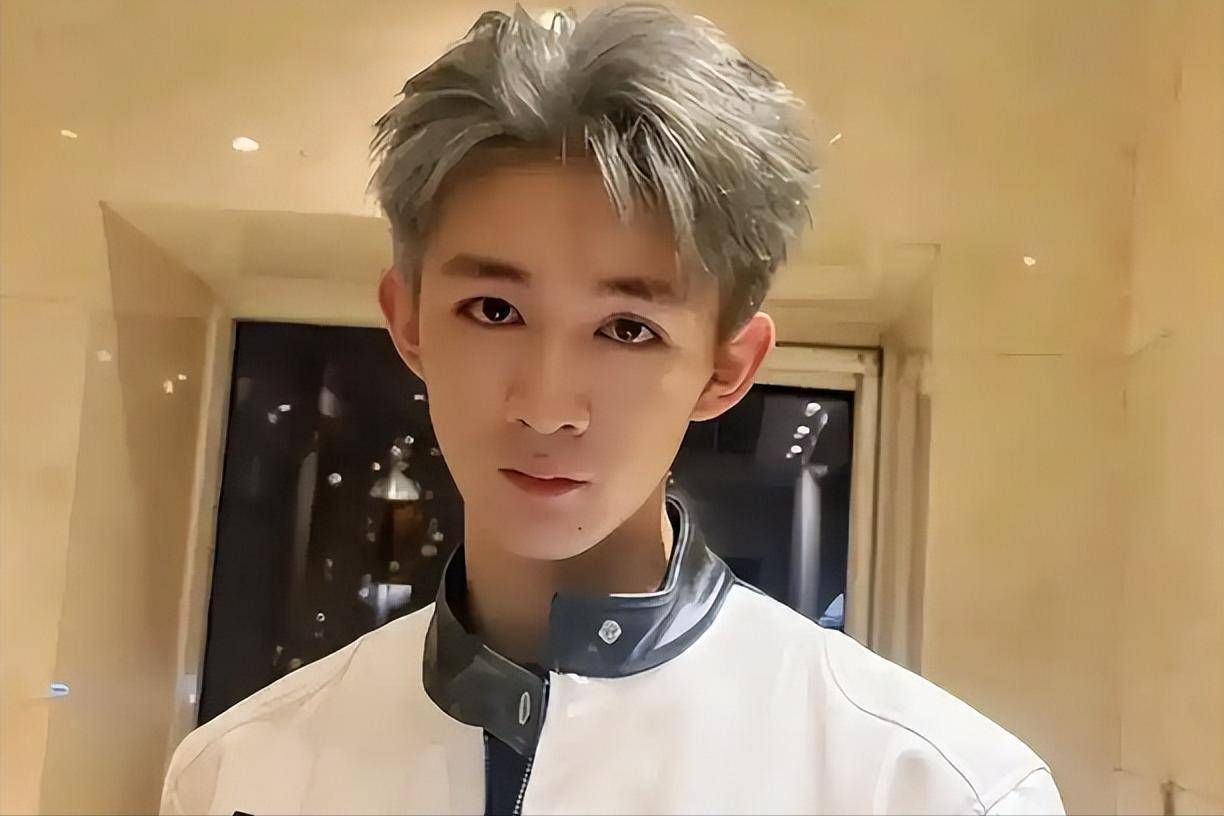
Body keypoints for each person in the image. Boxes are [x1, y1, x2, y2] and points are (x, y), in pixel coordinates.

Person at [160, 4, 1065, 814]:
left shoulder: (928, 789)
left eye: (628, 329)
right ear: (408, 322)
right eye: (494, 310)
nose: (547, 406)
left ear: (726, 367)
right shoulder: (238, 775)